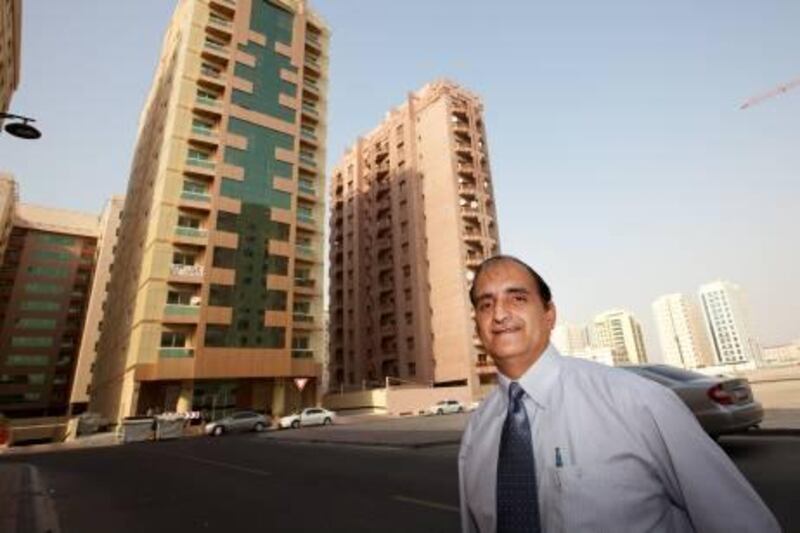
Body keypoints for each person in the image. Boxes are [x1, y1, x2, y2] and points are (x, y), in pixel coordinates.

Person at [458, 255, 780, 532]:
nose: (499, 314)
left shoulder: (638, 403)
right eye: (486, 304)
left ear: (549, 314)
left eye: (517, 298)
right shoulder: (477, 433)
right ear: (477, 324)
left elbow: (741, 523)